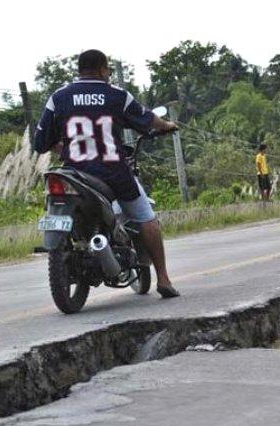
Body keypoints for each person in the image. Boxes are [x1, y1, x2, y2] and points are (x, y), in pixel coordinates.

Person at [33, 49, 180, 298]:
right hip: (113, 172)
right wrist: (168, 125)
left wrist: (63, 146)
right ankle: (163, 279)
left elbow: (40, 142)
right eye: (108, 70)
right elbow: (148, 119)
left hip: (74, 173)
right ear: (102, 69)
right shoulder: (116, 96)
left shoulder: (58, 97)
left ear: (80, 70)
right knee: (146, 217)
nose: (109, 74)